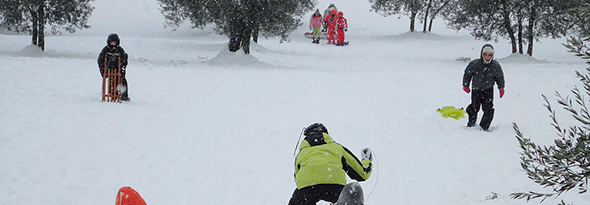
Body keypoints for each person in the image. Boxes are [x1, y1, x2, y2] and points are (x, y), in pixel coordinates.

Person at [288, 123, 373, 205]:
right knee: (352, 190)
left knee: (300, 198)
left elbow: (297, 178)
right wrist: (366, 160)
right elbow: (362, 174)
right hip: (334, 186)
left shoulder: (301, 154)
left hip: (307, 189)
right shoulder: (336, 147)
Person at [462, 44, 505, 131]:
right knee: (474, 108)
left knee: (488, 109)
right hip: (476, 90)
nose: (487, 57)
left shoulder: (495, 66)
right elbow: (468, 73)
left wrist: (501, 87)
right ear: (482, 54)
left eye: (489, 55)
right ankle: (471, 125)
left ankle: (484, 127)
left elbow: (499, 77)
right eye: (485, 54)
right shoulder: (475, 64)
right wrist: (465, 85)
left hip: (488, 90)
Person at [98, 33, 130, 101]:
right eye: (111, 42)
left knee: (122, 81)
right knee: (111, 82)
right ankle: (113, 94)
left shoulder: (120, 50)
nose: (113, 43)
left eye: (114, 42)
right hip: (109, 69)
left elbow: (124, 59)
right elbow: (100, 60)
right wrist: (103, 70)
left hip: (118, 69)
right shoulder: (105, 50)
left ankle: (124, 96)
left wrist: (122, 69)